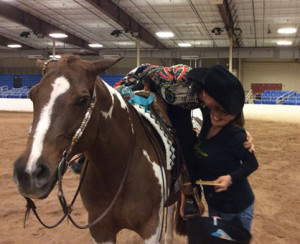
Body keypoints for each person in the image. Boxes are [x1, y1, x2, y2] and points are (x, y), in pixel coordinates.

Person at [187, 65, 259, 231]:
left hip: (236, 208)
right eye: (214, 108)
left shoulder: (235, 136)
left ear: (234, 114)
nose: (216, 115)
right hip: (215, 205)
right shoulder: (208, 120)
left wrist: (230, 178)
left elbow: (252, 163)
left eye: (223, 112)